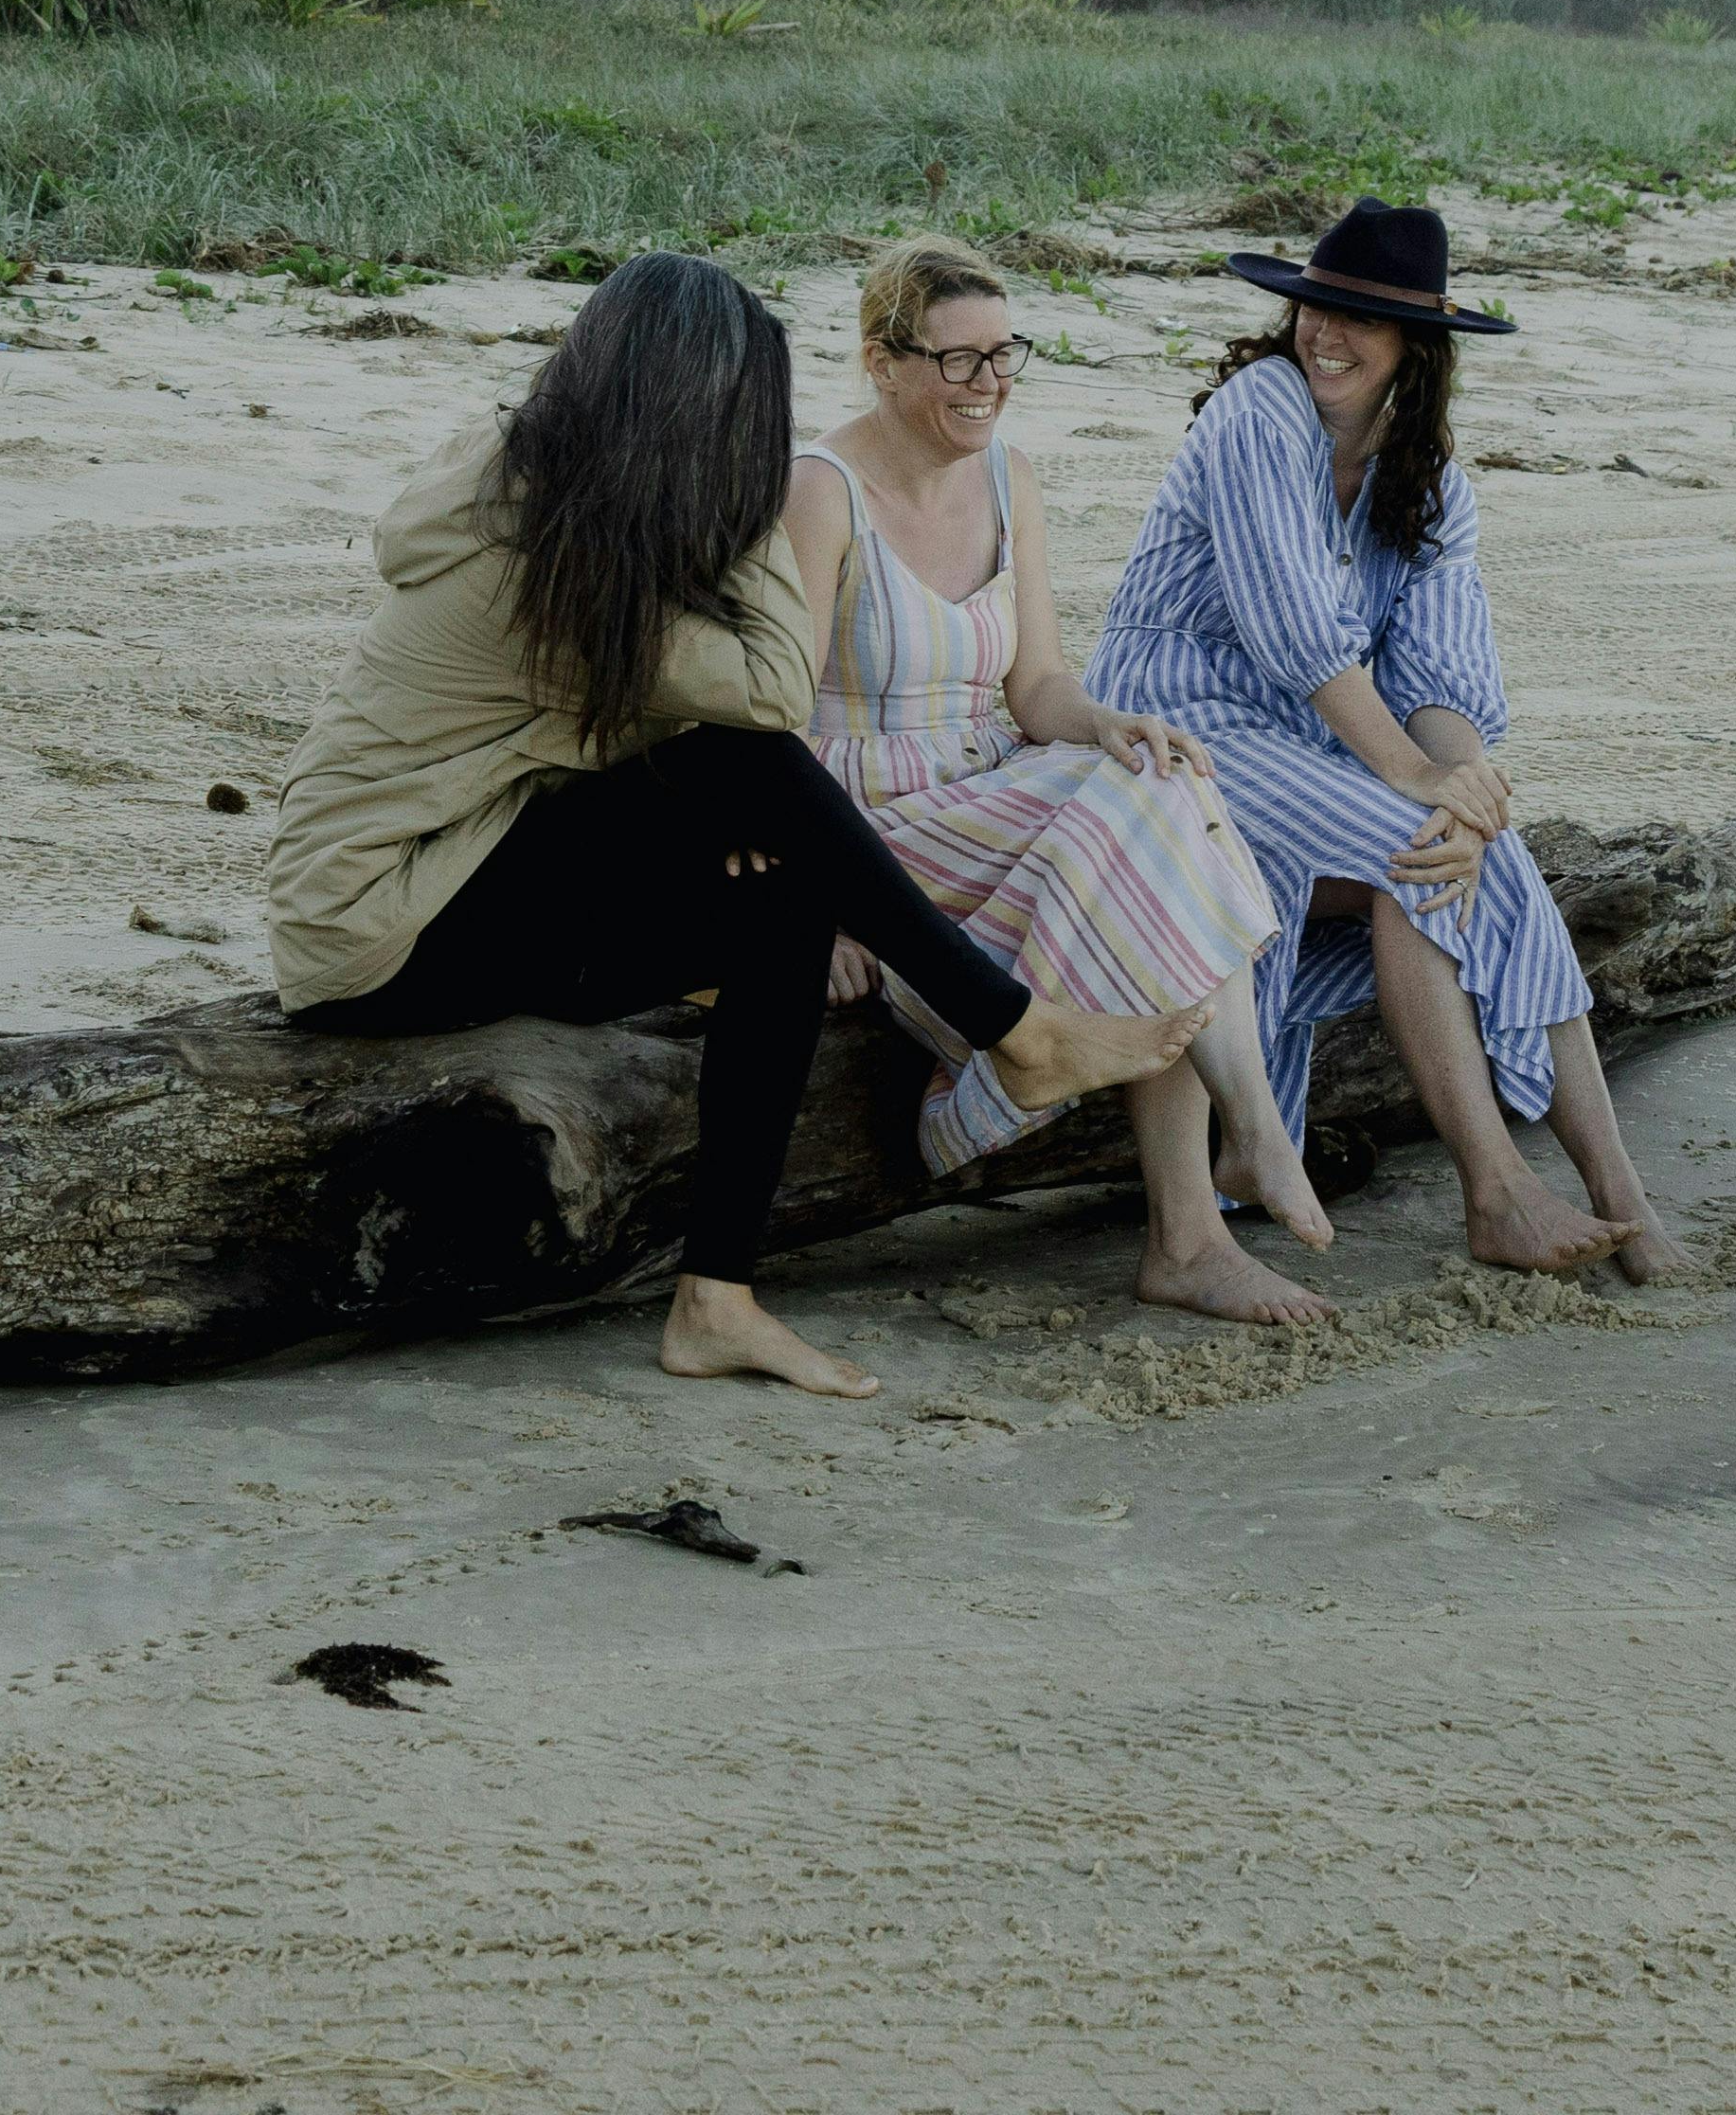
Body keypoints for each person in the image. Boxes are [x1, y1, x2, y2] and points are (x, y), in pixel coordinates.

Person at [265, 251, 1205, 1399]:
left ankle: (716, 1300)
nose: (748, 446)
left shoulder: (544, 481)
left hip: (471, 847)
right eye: (741, 423)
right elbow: (768, 689)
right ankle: (1015, 1028)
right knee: (754, 765)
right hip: (381, 920)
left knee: (781, 897)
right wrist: (765, 496)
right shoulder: (532, 569)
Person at [1087, 199, 1679, 1281]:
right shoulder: (1259, 411)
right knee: (1419, 840)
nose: (1326, 333)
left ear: (1417, 345)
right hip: (1178, 731)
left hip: (1306, 753)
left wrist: (1466, 784)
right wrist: (1419, 780)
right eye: (1316, 306)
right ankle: (1503, 1191)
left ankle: (1613, 1194)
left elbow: (1440, 681)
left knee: (1457, 851)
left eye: (1361, 319)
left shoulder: (1431, 481)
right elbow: (1297, 638)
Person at [785, 237, 1339, 1326]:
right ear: (883, 362)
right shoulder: (819, 490)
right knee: (1141, 835)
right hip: (872, 825)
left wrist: (1108, 724)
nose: (989, 381)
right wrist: (825, 905)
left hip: (992, 785)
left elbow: (1036, 683)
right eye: (959, 358)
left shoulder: (1010, 477)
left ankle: (1217, 1193)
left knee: (1159, 784)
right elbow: (778, 727)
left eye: (1005, 353)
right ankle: (1220, 1188)